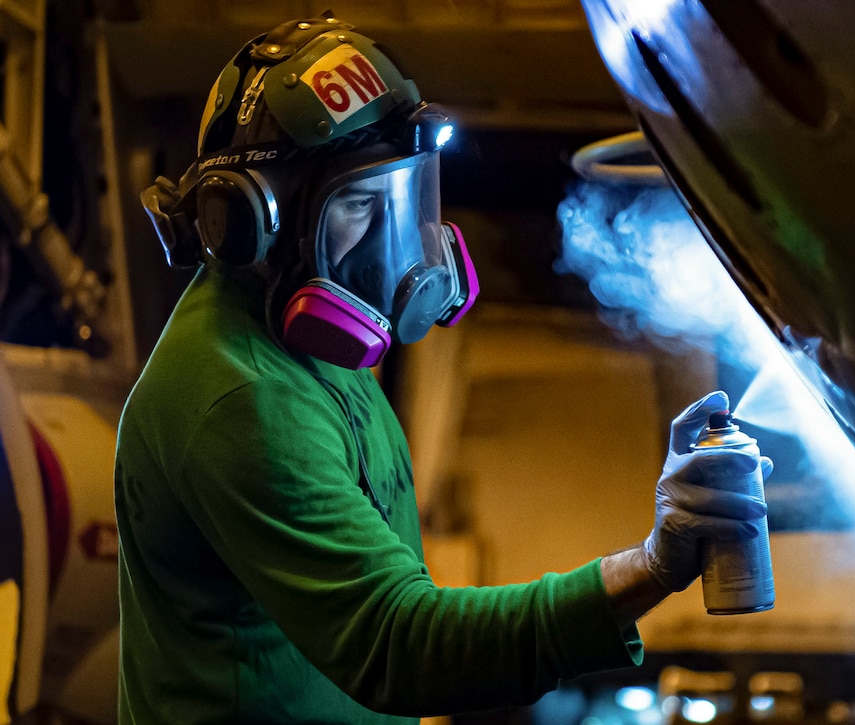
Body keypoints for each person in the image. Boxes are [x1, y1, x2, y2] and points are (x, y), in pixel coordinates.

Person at [120, 13, 771, 724]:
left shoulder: (305, 342)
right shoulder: (242, 398)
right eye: (364, 206)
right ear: (251, 222)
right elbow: (398, 646)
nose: (392, 247)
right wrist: (649, 566)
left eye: (406, 198)